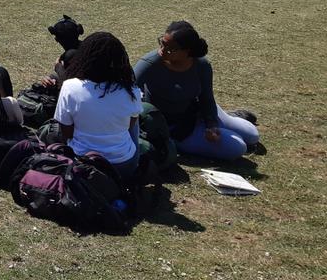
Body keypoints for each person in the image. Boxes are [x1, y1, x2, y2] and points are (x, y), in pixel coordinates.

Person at [134, 21, 258, 162]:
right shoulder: (149, 64)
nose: (163, 49)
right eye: (162, 43)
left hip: (197, 111)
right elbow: (125, 93)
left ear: (187, 51)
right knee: (238, 147)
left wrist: (211, 125)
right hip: (174, 126)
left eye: (171, 48)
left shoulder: (201, 64)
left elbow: (207, 97)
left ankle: (231, 117)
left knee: (252, 136)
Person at [54, 32, 143, 180]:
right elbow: (130, 126)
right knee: (134, 118)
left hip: (83, 163)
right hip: (125, 164)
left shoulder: (70, 86)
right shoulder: (131, 91)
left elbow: (67, 132)